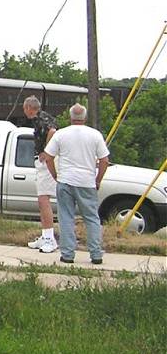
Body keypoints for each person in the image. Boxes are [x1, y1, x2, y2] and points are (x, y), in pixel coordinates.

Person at [42, 103, 109, 265]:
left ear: (70, 117)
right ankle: (96, 254)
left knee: (66, 217)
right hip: (87, 182)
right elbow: (104, 160)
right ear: (84, 118)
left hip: (66, 180)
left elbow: (48, 157)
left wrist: (55, 175)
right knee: (92, 218)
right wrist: (97, 179)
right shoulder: (95, 135)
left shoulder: (61, 134)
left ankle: (67, 254)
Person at [22, 95, 59, 254]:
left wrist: (46, 151)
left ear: (29, 108)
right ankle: (45, 235)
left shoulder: (40, 120)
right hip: (42, 162)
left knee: (44, 200)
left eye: (25, 108)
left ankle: (50, 238)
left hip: (45, 162)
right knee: (41, 200)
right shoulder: (45, 117)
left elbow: (53, 131)